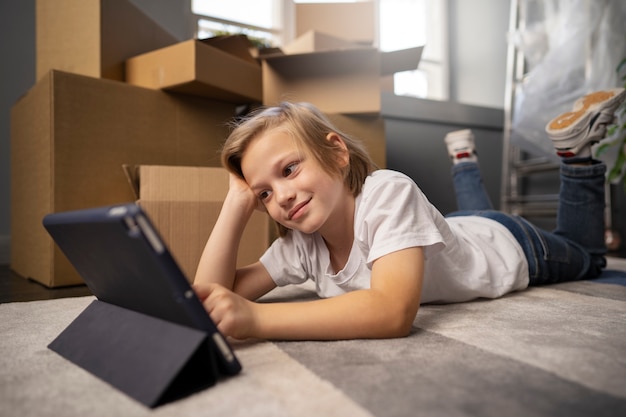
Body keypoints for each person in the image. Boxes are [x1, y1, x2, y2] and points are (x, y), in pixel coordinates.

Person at [193, 88, 625, 341]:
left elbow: (392, 312)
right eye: (264, 192)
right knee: (472, 213)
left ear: (336, 152)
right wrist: (236, 202)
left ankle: (576, 154)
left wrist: (258, 319)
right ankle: (464, 161)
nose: (281, 196)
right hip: (461, 229)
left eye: (289, 169)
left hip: (512, 246)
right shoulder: (300, 246)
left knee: (588, 256)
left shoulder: (389, 191)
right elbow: (210, 298)